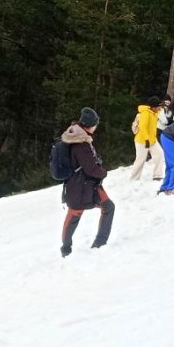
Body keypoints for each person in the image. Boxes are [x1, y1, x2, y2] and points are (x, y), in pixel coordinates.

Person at [59, 107, 115, 258]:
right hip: (80, 187)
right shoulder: (81, 143)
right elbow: (91, 168)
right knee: (74, 214)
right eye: (95, 124)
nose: (96, 127)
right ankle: (66, 249)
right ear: (90, 125)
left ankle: (99, 244)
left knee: (108, 207)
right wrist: (103, 172)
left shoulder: (77, 135)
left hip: (87, 185)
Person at [129, 96, 164, 181]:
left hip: (152, 140)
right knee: (140, 160)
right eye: (158, 106)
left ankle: (157, 176)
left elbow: (161, 110)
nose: (159, 108)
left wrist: (163, 105)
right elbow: (142, 127)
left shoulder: (155, 112)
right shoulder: (146, 114)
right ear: (153, 107)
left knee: (159, 154)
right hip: (142, 140)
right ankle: (134, 179)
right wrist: (146, 139)